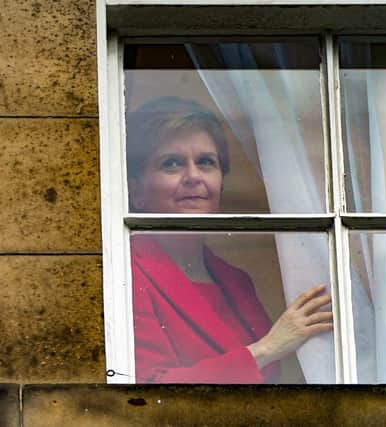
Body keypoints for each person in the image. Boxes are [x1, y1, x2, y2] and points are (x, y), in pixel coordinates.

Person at [127, 97, 333, 383]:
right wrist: (267, 349)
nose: (193, 176)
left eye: (206, 162)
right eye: (172, 164)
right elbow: (148, 390)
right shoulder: (126, 274)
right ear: (136, 191)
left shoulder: (235, 281)